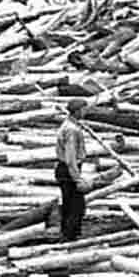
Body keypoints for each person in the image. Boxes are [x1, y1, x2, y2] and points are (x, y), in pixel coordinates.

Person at [55, 98, 90, 242]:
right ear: (78, 111)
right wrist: (77, 179)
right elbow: (70, 159)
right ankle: (69, 237)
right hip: (68, 170)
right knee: (76, 207)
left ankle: (68, 234)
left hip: (66, 169)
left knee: (69, 204)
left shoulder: (70, 125)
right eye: (84, 109)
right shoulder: (71, 130)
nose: (86, 111)